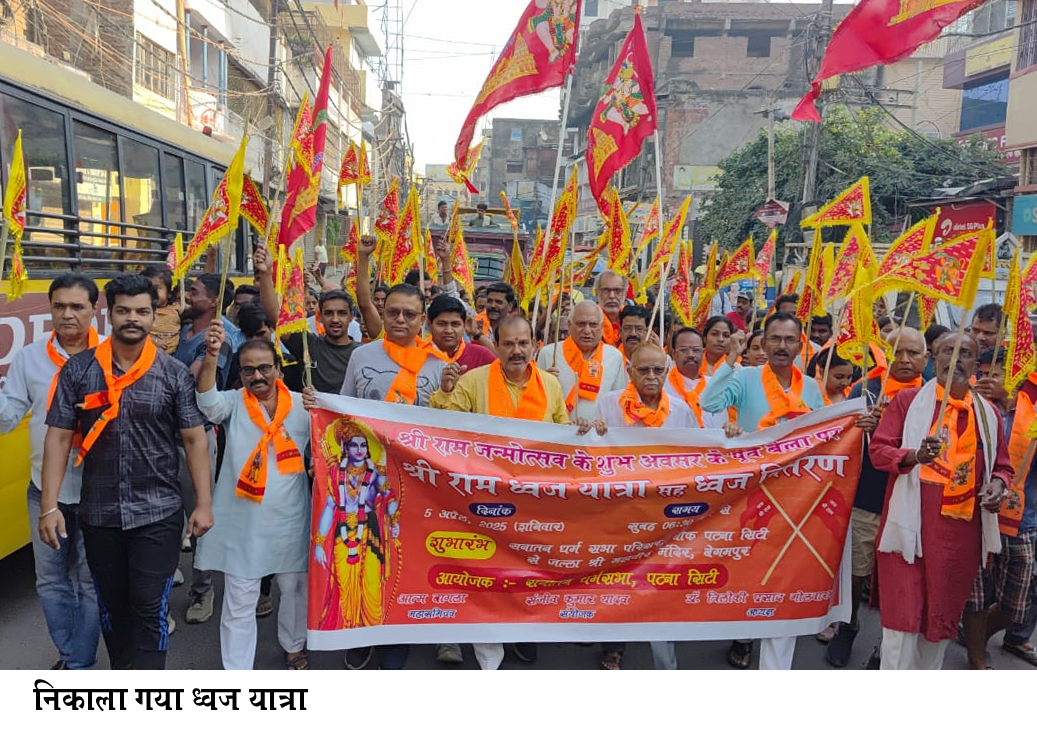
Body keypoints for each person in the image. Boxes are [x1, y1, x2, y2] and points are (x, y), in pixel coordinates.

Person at [40, 274, 213, 670]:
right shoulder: (79, 370)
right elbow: (59, 438)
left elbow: (194, 440)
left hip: (159, 513)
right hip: (99, 514)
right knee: (112, 606)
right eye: (124, 311)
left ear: (154, 315)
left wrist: (203, 504)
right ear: (109, 314)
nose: (133, 319)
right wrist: (49, 507)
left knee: (149, 605)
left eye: (141, 311)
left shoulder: (172, 373)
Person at [430, 316, 577, 669]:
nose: (516, 351)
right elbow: (443, 429)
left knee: (526, 572)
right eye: (508, 344)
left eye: (523, 343)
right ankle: (489, 655)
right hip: (485, 500)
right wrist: (446, 392)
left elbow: (563, 433)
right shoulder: (474, 381)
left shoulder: (550, 385)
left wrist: (583, 431)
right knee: (487, 574)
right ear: (496, 346)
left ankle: (521, 631)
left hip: (534, 502)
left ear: (535, 346)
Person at [869, 332, 1012, 670]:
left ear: (975, 365)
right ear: (935, 358)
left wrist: (998, 486)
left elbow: (1002, 467)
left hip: (957, 540)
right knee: (901, 628)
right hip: (908, 532)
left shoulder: (988, 414)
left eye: (966, 353)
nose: (956, 359)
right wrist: (914, 456)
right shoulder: (908, 401)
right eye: (949, 351)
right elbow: (879, 450)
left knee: (939, 627)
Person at [598, 343, 740, 670]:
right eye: (643, 370)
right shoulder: (608, 404)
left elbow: (699, 455)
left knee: (659, 588)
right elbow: (591, 450)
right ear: (629, 371)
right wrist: (590, 430)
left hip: (665, 516)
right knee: (616, 583)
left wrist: (728, 436)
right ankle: (613, 647)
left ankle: (666, 666)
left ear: (666, 372)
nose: (651, 376)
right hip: (621, 512)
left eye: (658, 370)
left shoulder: (679, 410)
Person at [700, 312, 826, 670]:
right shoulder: (746, 377)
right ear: (764, 343)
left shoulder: (810, 388)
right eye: (775, 339)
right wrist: (731, 357)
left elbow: (823, 434)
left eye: (789, 340)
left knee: (786, 580)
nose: (782, 346)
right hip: (754, 497)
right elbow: (710, 403)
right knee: (753, 576)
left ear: (800, 345)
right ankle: (743, 637)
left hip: (798, 498)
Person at [193, 324, 313, 670]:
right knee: (240, 597)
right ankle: (238, 672)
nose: (257, 376)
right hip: (242, 520)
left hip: (290, 517)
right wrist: (212, 355)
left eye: (264, 368)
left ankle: (294, 648)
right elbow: (207, 401)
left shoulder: (303, 406)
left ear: (278, 368)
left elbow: (329, 444)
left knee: (294, 590)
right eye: (248, 370)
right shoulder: (232, 403)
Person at [0, 275, 101, 670]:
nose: (67, 314)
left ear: (94, 309)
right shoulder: (29, 358)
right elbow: (9, 417)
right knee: (50, 581)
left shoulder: (112, 355)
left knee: (91, 583)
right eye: (59, 306)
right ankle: (73, 656)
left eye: (77, 306)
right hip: (44, 491)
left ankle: (79, 663)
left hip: (98, 490)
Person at [825, 327, 927, 668]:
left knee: (898, 576)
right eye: (897, 352)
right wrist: (861, 428)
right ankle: (848, 625)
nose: (905, 360)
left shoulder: (933, 397)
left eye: (913, 353)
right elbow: (840, 439)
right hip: (867, 497)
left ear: (926, 358)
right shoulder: (865, 390)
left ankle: (886, 647)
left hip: (910, 501)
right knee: (857, 570)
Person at [961, 349, 1037, 669]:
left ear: (1016, 375)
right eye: (983, 373)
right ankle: (977, 657)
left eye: (997, 373)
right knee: (976, 596)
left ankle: (974, 636)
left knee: (1016, 603)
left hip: (1023, 520)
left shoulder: (1032, 412)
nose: (987, 379)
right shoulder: (970, 408)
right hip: (974, 516)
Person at [256, 242, 359, 394]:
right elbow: (276, 318)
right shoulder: (309, 345)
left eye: (342, 313)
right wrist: (266, 274)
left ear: (351, 317)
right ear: (320, 317)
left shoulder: (360, 354)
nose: (335, 319)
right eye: (329, 313)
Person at [340, 283, 447, 406]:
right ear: (383, 314)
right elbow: (344, 407)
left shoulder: (438, 364)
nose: (400, 319)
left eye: (409, 314)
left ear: (422, 320)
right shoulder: (360, 355)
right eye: (393, 312)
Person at [537, 300, 628, 422]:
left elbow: (617, 403)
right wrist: (547, 383)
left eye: (593, 325)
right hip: (558, 430)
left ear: (601, 327)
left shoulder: (614, 356)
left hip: (597, 432)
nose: (587, 330)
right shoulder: (549, 354)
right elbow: (538, 400)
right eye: (581, 324)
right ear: (569, 325)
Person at [665, 327, 724, 429]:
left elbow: (722, 425)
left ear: (703, 353)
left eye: (696, 350)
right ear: (673, 354)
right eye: (683, 350)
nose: (691, 355)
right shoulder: (662, 386)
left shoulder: (715, 387)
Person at [427, 295, 497, 370]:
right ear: (429, 325)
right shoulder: (420, 356)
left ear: (464, 325)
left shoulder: (482, 356)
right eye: (442, 324)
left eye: (455, 324)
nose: (449, 330)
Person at [142, 264, 180, 355]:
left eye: (157, 288)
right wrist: (152, 340)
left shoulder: (176, 308)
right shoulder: (141, 311)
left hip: (171, 356)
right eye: (147, 288)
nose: (151, 293)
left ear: (169, 293)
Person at [595, 270, 629, 347]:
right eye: (606, 290)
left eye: (617, 291)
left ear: (625, 293)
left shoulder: (633, 320)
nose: (612, 296)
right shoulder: (587, 320)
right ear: (597, 293)